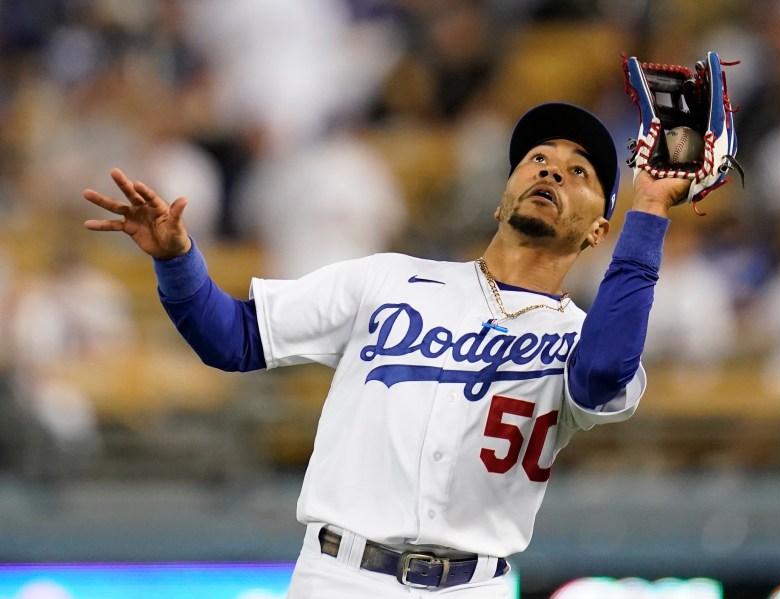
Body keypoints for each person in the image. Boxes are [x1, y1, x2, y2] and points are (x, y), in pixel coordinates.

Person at [82, 102, 689, 599]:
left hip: (472, 586)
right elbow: (232, 339)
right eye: (536, 160)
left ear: (598, 229)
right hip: (339, 576)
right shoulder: (389, 280)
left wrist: (651, 210)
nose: (552, 172)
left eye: (579, 172)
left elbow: (605, 372)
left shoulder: (583, 339)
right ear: (499, 199)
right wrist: (177, 262)